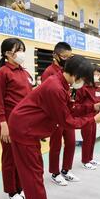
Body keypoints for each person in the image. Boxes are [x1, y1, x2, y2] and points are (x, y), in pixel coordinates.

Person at [8, 55, 100, 199]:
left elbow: (69, 108)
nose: (84, 83)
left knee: (35, 172)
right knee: (33, 174)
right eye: (84, 79)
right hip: (24, 128)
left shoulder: (61, 83)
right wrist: (92, 119)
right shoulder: (55, 87)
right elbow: (67, 121)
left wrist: (91, 108)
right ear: (76, 74)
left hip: (28, 127)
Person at [0, 38, 31, 199]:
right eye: (18, 50)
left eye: (22, 49)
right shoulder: (2, 73)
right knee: (10, 156)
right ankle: (11, 191)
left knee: (21, 157)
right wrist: (3, 124)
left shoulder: (24, 72)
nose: (21, 53)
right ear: (7, 53)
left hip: (24, 121)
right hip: (8, 122)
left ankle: (20, 187)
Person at [41, 42, 78, 186]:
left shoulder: (68, 70)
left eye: (70, 57)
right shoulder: (49, 72)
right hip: (55, 114)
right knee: (55, 144)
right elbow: (46, 96)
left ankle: (66, 169)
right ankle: (55, 172)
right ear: (55, 56)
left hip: (67, 112)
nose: (68, 59)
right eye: (65, 57)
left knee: (71, 142)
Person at [75, 65, 100, 169]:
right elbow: (77, 105)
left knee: (92, 138)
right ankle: (85, 161)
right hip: (85, 117)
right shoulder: (82, 87)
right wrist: (91, 107)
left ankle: (90, 158)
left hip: (95, 117)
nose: (97, 76)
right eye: (95, 74)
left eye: (98, 74)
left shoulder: (97, 87)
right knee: (87, 139)